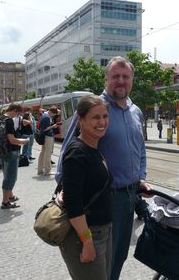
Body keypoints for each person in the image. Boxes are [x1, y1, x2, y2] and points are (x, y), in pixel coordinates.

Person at [55, 56, 151, 280]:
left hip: (130, 197)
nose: (120, 81)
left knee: (118, 257)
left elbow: (140, 148)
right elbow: (68, 155)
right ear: (106, 79)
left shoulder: (135, 111)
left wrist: (140, 177)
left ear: (132, 80)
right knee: (100, 262)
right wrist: (67, 191)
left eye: (125, 76)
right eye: (115, 76)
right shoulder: (97, 108)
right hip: (104, 200)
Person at [57, 95, 113, 280]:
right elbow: (73, 204)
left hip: (102, 231)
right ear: (80, 120)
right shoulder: (77, 153)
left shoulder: (92, 147)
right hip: (87, 235)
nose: (102, 122)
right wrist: (87, 240)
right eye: (95, 117)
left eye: (104, 116)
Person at [0, 103, 29, 209]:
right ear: (14, 110)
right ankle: (5, 201)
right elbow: (12, 140)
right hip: (11, 151)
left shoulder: (0, 118)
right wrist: (23, 142)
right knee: (11, 177)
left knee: (6, 175)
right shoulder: (9, 121)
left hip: (2, 151)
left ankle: (9, 196)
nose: (17, 116)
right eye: (18, 114)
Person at [37, 106, 60, 175]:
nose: (54, 116)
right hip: (48, 137)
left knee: (43, 153)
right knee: (48, 154)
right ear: (52, 112)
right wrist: (53, 126)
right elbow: (44, 129)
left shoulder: (44, 114)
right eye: (54, 114)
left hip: (44, 136)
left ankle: (40, 170)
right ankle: (47, 171)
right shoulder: (47, 117)